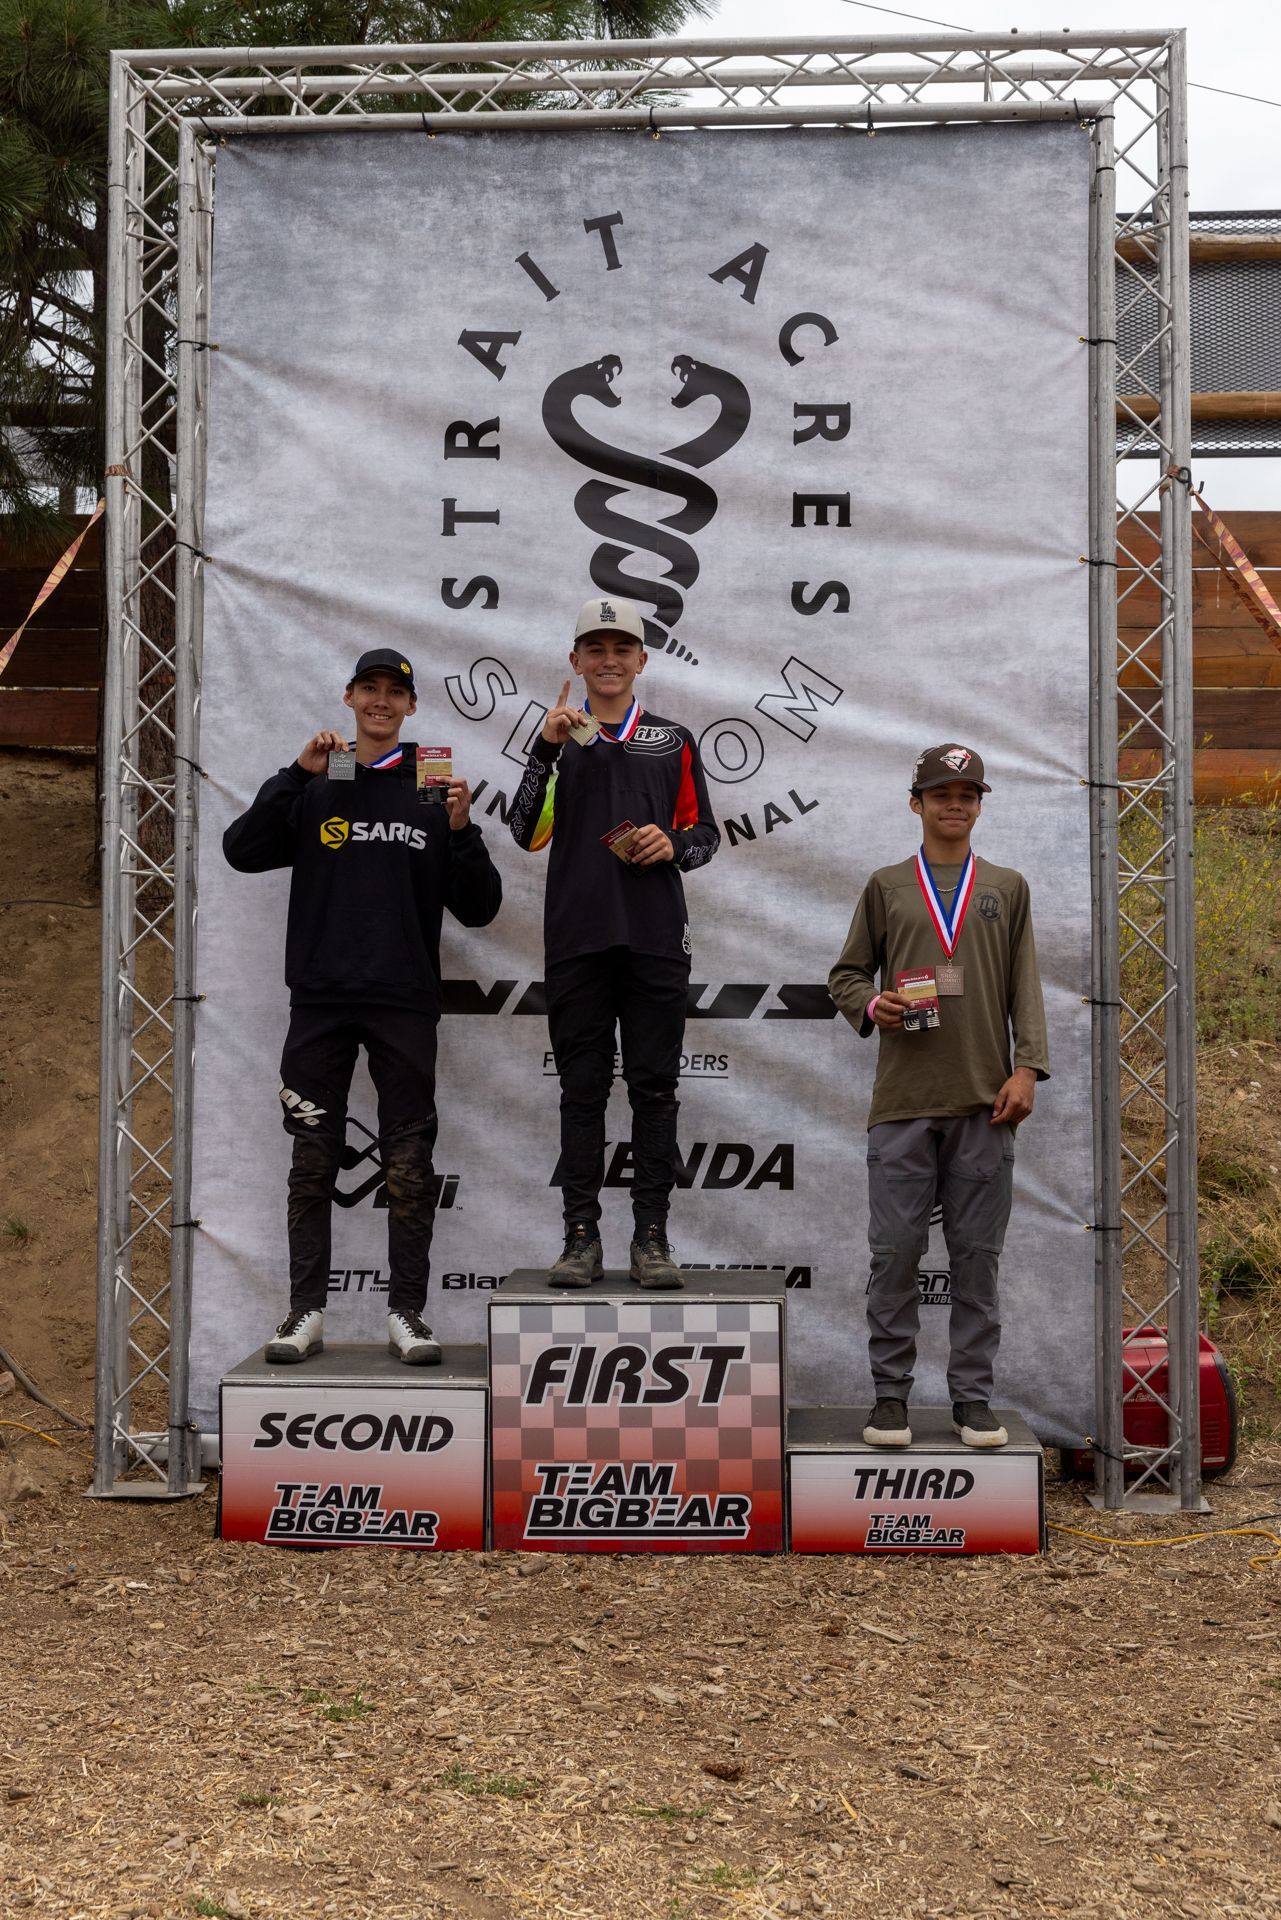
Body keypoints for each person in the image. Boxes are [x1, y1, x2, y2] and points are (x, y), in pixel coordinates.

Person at [223, 647, 502, 1365]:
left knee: (409, 1166)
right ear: (348, 696)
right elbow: (241, 850)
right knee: (312, 1162)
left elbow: (480, 908)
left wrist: (465, 830)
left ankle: (407, 1313)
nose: (380, 702)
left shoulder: (431, 782)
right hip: (319, 998)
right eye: (368, 689)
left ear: (410, 708)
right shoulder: (319, 779)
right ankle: (304, 1312)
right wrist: (294, 775)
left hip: (404, 1000)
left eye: (394, 693)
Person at [828, 744, 1049, 1449]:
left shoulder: (1006, 887)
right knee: (893, 1254)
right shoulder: (888, 885)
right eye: (939, 792)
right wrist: (872, 1005)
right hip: (902, 1101)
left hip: (985, 1102)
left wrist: (1029, 1069)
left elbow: (1025, 985)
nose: (954, 803)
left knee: (975, 1260)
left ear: (979, 804)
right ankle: (890, 1397)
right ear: (914, 802)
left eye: (967, 793)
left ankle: (971, 1400)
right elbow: (845, 974)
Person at [509, 595, 720, 1289]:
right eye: (594, 649)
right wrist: (545, 747)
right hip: (577, 936)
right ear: (574, 660)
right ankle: (579, 1239)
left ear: (640, 660)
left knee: (654, 1090)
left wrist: (673, 843)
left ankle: (651, 1239)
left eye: (620, 649)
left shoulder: (673, 740)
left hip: (656, 937)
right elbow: (523, 830)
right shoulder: (556, 737)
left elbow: (704, 835)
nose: (607, 660)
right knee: (581, 1090)